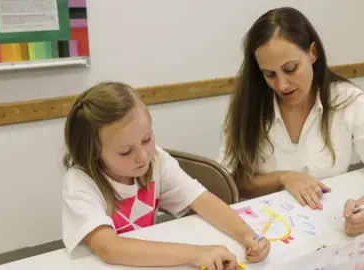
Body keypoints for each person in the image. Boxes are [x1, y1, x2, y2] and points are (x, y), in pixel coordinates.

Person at [218, 7, 364, 237]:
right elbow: (229, 180)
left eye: (290, 69)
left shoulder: (347, 100)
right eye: (269, 74)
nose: (282, 85)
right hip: (262, 230)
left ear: (313, 53)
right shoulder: (248, 105)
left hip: (327, 226)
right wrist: (283, 178)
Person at [61, 82, 270, 269]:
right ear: (94, 153)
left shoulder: (156, 160)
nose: (142, 156)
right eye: (125, 151)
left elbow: (202, 199)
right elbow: (109, 248)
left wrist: (249, 236)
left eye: (147, 139)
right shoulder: (80, 183)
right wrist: (196, 253)